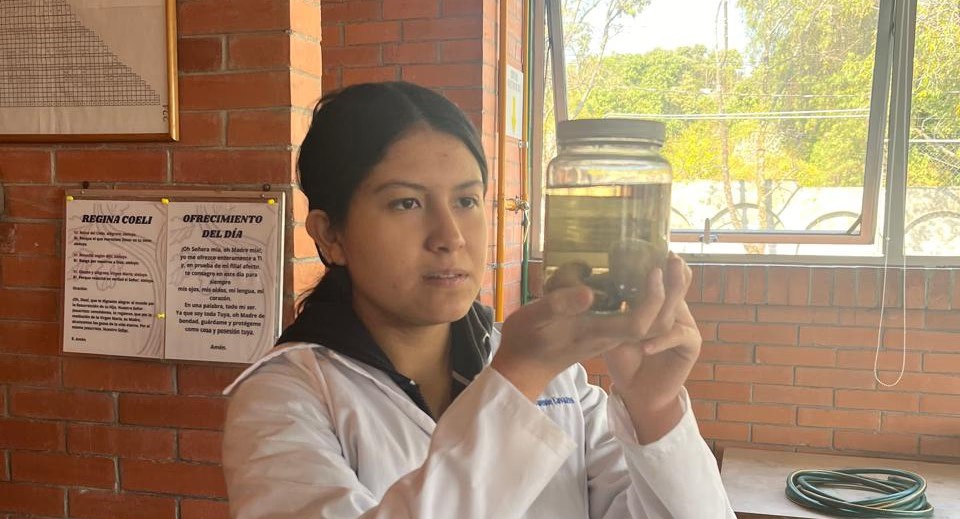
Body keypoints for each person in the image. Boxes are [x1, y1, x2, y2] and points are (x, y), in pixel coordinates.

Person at [221, 81, 735, 519]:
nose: (449, 236)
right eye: (406, 203)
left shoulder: (558, 380)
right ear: (330, 235)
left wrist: (655, 407)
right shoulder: (285, 400)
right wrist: (518, 379)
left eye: (466, 201)